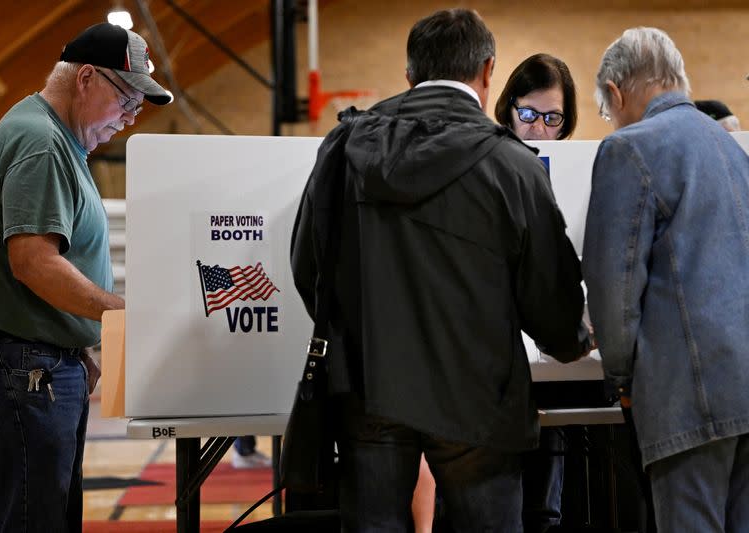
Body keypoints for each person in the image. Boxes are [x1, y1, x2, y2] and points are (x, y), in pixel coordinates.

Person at [291, 8, 592, 531]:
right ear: (488, 70)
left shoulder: (345, 147)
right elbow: (551, 297)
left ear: (410, 74)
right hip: (480, 400)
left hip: (369, 390)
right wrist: (574, 341)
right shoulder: (515, 167)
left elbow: (307, 266)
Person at [0, 22, 171, 533]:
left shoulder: (56, 141)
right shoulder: (42, 142)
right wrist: (122, 316)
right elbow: (33, 262)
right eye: (127, 100)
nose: (131, 118)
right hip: (23, 366)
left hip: (37, 363)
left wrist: (76, 348)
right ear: (87, 77)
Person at [583, 27, 749, 532]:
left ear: (616, 91)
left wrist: (621, 376)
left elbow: (614, 288)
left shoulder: (629, 150)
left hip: (689, 398)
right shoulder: (733, 152)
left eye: (607, 111)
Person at [494, 53, 577, 533]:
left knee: (545, 505)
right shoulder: (487, 162)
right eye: (528, 115)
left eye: (552, 119)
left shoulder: (572, 169)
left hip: (548, 353)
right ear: (509, 108)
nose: (539, 130)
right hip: (496, 355)